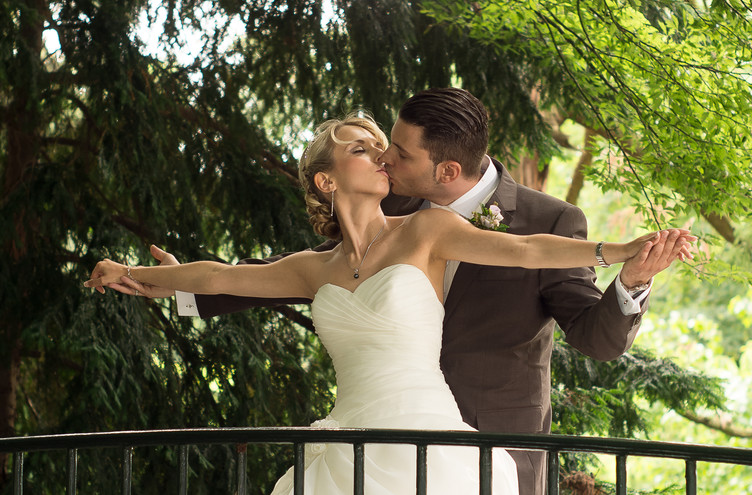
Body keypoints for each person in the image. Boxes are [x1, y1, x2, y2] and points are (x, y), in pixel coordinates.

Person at [86, 113, 694, 494]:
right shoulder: (316, 267)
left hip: (444, 443)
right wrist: (135, 273)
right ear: (327, 181)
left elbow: (527, 249)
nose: (381, 158)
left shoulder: (425, 228)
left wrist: (618, 250)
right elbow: (226, 276)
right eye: (363, 148)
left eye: (385, 149)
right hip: (344, 447)